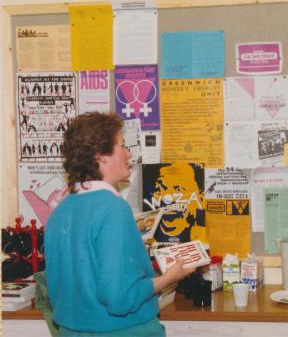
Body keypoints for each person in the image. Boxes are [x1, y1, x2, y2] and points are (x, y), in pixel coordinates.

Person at [44, 112, 195, 336]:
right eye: (122, 145)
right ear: (101, 156)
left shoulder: (61, 211)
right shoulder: (113, 208)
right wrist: (169, 277)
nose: (128, 153)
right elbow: (119, 298)